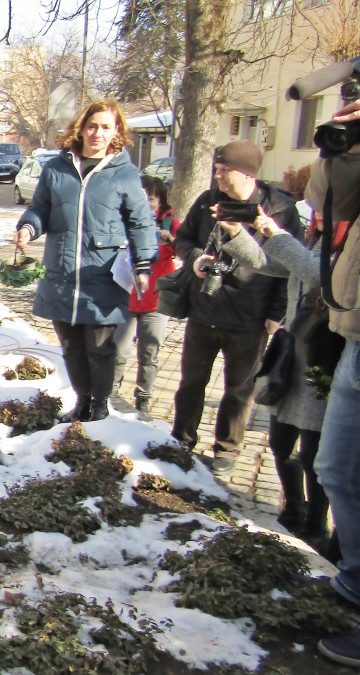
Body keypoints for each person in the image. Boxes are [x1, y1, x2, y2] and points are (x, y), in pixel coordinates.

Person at [12, 99, 157, 422]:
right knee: (72, 349)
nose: (98, 133)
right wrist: (28, 227)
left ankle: (101, 404)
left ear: (117, 131)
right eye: (93, 126)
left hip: (102, 275)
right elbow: (41, 208)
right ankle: (82, 402)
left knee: (100, 349)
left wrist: (144, 263)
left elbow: (141, 222)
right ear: (81, 128)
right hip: (62, 273)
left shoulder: (124, 174)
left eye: (107, 127)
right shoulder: (57, 169)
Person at [170, 139, 302, 472]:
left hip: (250, 315)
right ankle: (180, 440)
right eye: (216, 169)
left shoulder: (280, 209)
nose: (218, 176)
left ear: (247, 173)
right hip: (204, 308)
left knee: (239, 389)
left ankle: (227, 449)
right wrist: (196, 258)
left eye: (224, 170)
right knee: (190, 382)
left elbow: (291, 267)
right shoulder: (207, 202)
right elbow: (184, 238)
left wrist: (277, 314)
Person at [215, 191, 332, 550]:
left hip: (324, 353)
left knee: (313, 451)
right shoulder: (316, 237)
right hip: (294, 350)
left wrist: (270, 227)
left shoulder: (346, 244)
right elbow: (272, 263)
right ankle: (293, 508)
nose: (314, 213)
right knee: (279, 441)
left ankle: (316, 523)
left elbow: (316, 275)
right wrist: (238, 234)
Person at [307, 99, 360, 667]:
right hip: (355, 332)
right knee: (337, 469)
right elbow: (327, 199)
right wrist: (341, 141)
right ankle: (353, 583)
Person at [112, 175, 182, 420]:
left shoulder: (170, 223)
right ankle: (111, 395)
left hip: (155, 300)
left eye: (151, 199)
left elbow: (186, 248)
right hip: (126, 297)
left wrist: (170, 239)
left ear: (161, 201)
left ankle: (143, 399)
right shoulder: (123, 221)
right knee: (119, 350)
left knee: (149, 351)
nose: (147, 203)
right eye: (142, 197)